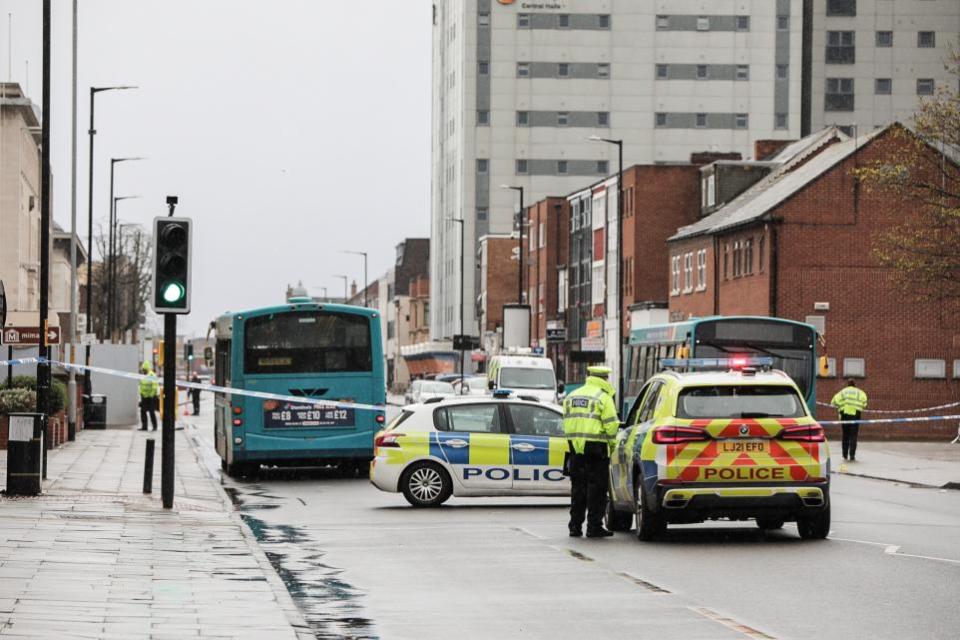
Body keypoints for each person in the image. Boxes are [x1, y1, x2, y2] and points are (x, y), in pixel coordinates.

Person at [562, 365, 620, 538]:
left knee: (578, 489)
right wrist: (611, 445)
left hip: (575, 448)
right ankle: (594, 527)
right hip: (597, 449)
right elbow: (611, 425)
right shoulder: (603, 397)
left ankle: (575, 526)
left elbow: (567, 421)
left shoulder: (572, 396)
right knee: (597, 489)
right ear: (604, 379)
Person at [831, 379, 868, 461]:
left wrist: (841, 406)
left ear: (847, 385)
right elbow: (865, 402)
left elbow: (833, 401)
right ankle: (852, 455)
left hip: (845, 415)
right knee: (853, 436)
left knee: (845, 435)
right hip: (855, 415)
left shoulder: (843, 392)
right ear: (855, 385)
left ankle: (844, 455)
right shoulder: (860, 392)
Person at [139, 361, 160, 431]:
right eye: (143, 370)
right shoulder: (143, 376)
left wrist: (151, 395)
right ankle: (144, 426)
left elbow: (154, 386)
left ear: (147, 369)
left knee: (151, 412)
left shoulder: (152, 375)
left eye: (144, 370)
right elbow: (141, 385)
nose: (143, 371)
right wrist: (141, 394)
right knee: (143, 412)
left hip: (151, 397)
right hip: (144, 397)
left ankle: (155, 427)